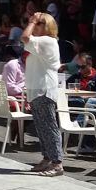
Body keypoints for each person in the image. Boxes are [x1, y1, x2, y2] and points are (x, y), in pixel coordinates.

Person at [21, 11, 64, 177]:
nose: (35, 26)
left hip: (43, 90)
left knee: (48, 126)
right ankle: (48, 158)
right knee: (41, 127)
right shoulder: (43, 42)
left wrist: (31, 21)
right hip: (37, 90)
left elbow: (25, 37)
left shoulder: (47, 41)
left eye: (40, 23)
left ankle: (57, 162)